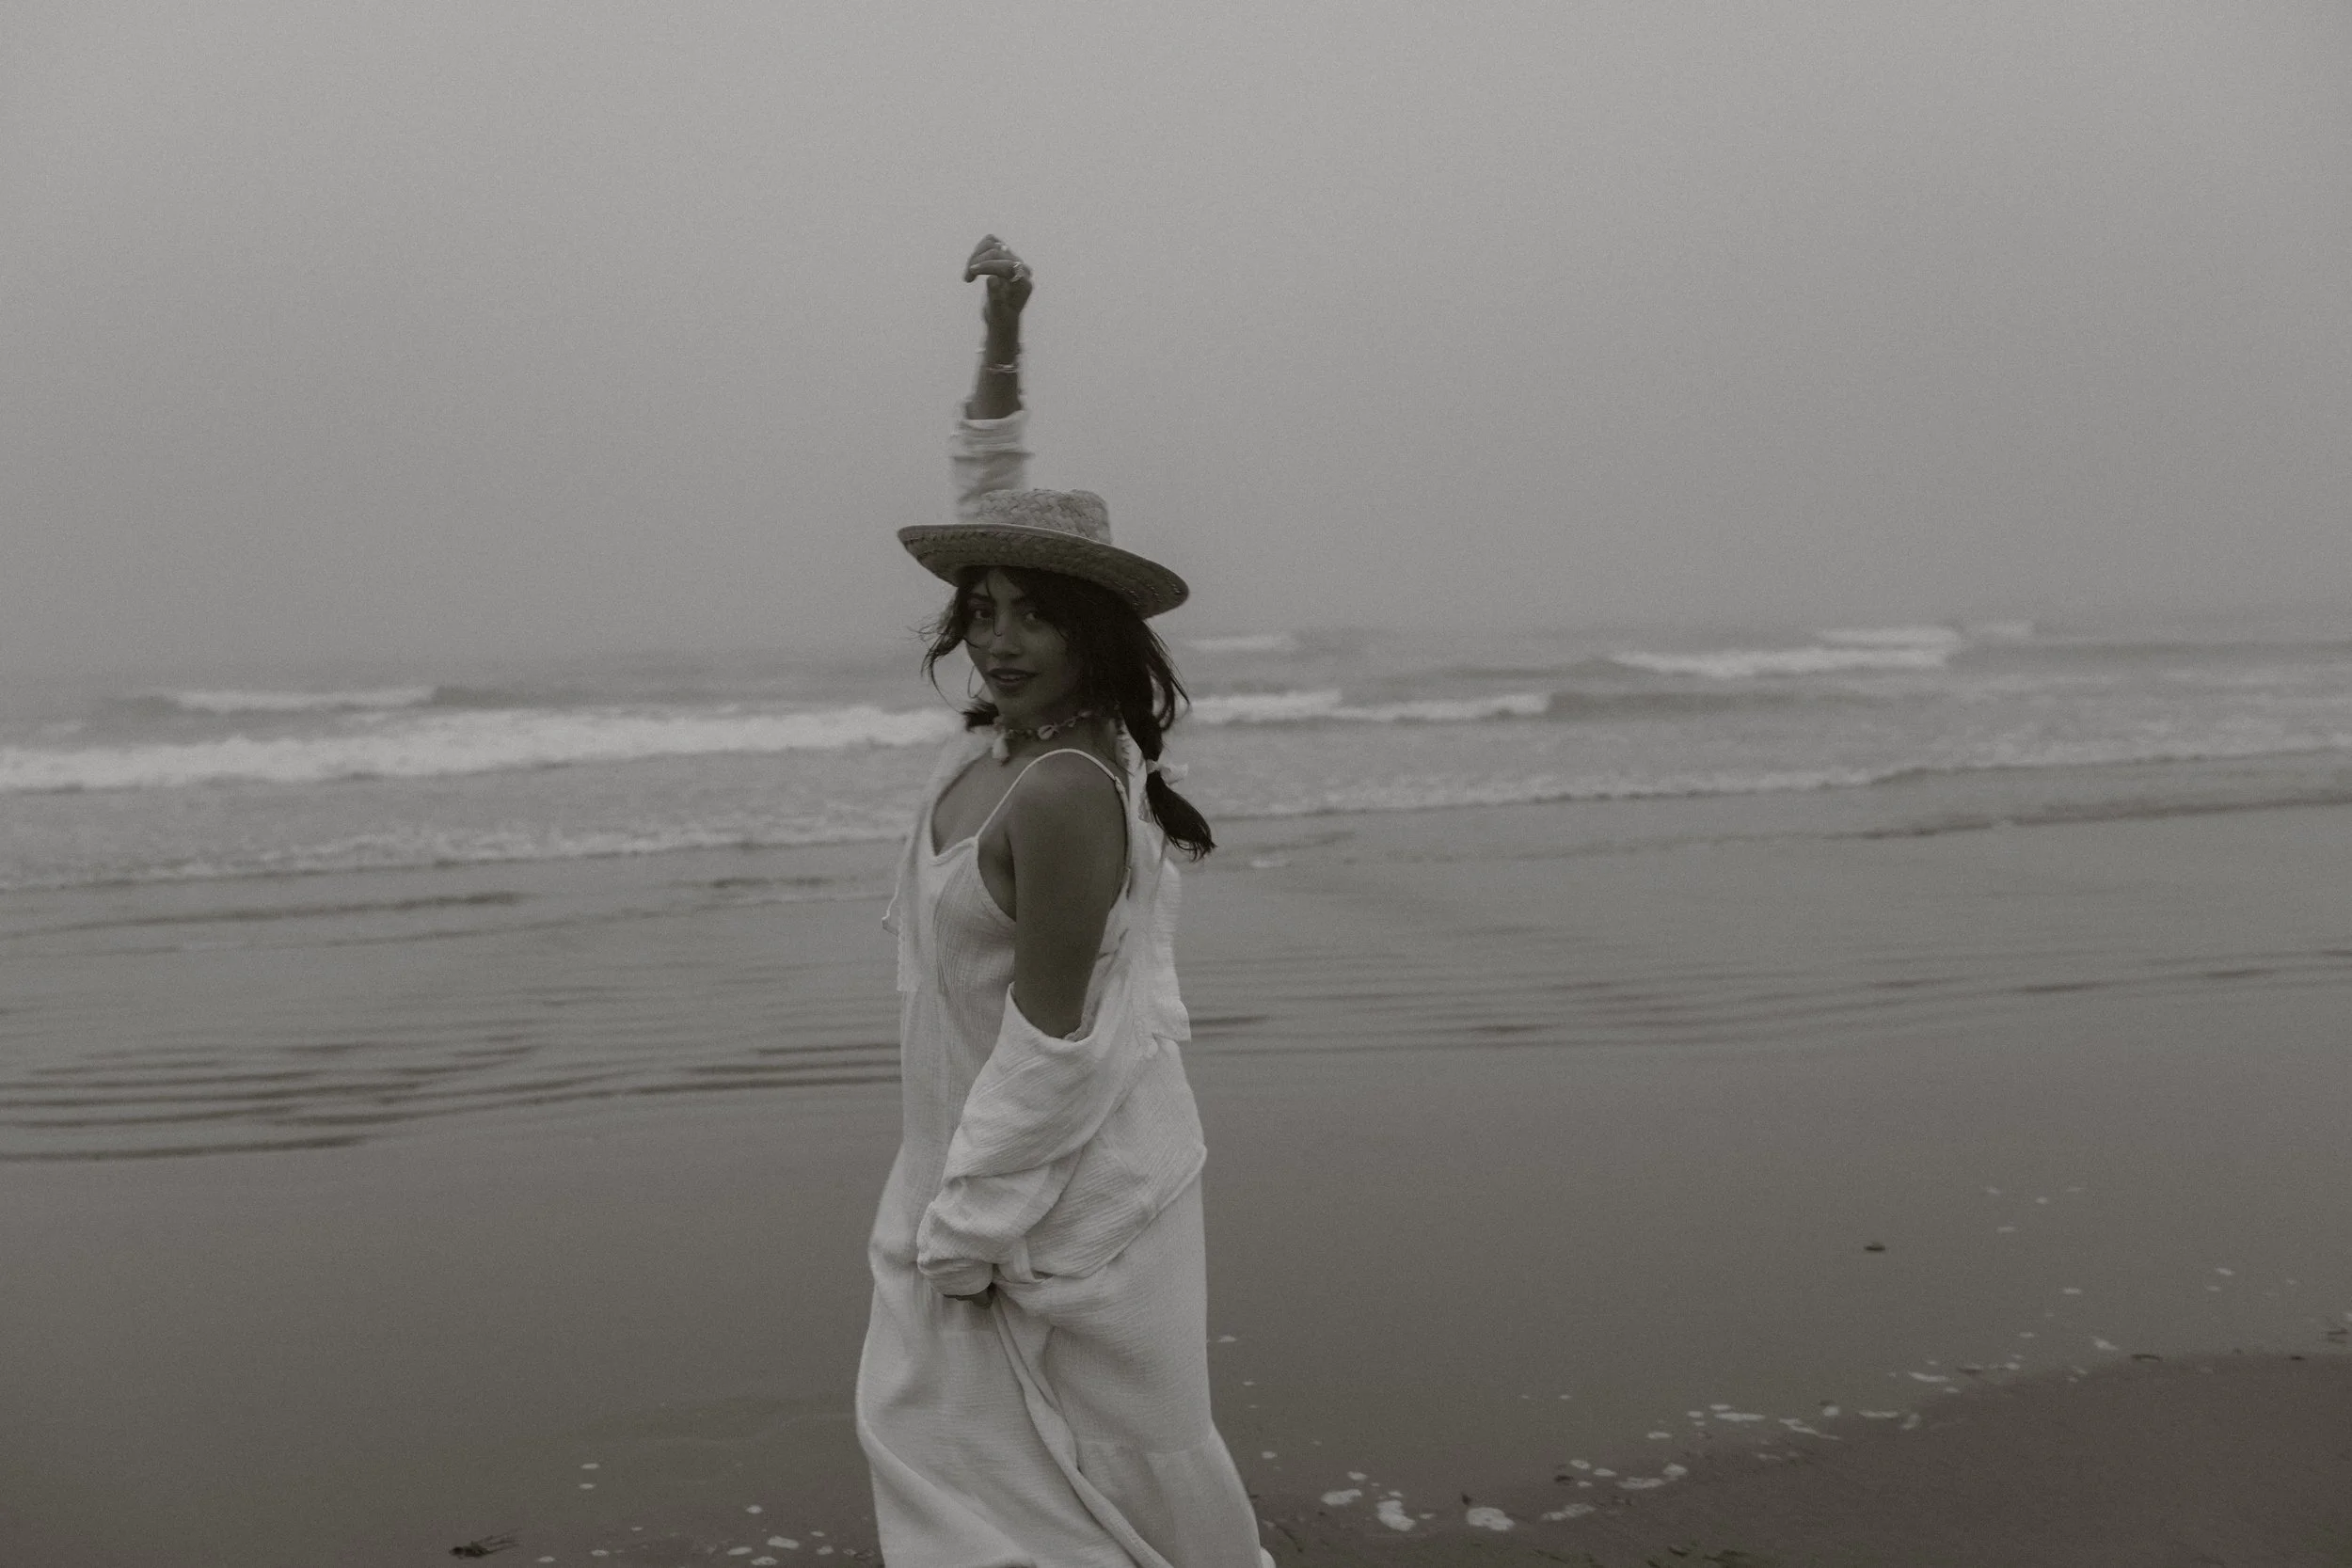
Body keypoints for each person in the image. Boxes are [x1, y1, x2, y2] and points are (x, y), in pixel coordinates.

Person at [854, 237, 1270, 1568]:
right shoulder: (993, 753)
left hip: (1076, 1204)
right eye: (982, 606)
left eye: (1034, 614)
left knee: (1114, 1478)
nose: (997, 635)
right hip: (966, 1169)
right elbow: (990, 492)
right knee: (965, 1467)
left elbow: (1059, 1049)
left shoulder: (1066, 790)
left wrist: (966, 1231)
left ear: (1098, 633)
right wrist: (1004, 337)